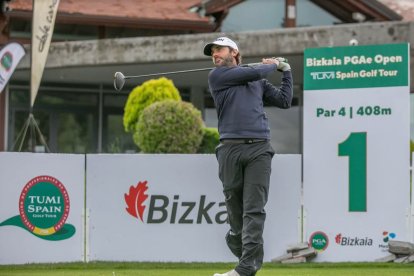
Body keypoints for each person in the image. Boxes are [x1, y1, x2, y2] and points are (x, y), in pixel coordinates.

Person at [203, 37, 293, 276]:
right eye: (212, 52)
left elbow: (284, 101)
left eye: (219, 50)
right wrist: (274, 64)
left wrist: (287, 72)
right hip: (230, 149)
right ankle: (240, 246)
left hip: (259, 150)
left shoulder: (257, 81)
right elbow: (252, 73)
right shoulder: (218, 76)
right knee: (234, 205)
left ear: (234, 51)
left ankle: (244, 269)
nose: (215, 55)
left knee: (254, 209)